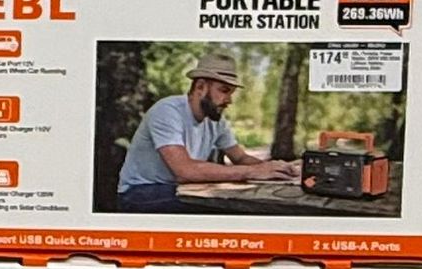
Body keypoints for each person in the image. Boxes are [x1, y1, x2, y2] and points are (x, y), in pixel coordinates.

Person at [116, 51, 299, 212]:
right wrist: (253, 172)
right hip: (140, 193)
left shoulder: (215, 120)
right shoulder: (167, 111)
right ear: (200, 87)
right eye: (224, 90)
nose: (229, 100)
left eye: (231, 93)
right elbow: (185, 171)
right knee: (230, 210)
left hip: (183, 189)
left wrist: (277, 170)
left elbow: (241, 158)